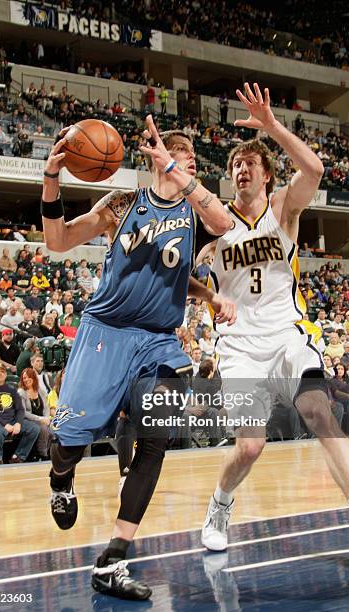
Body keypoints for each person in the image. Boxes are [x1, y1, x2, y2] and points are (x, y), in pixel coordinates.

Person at [41, 116, 234, 599]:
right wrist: (50, 181)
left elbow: (223, 224)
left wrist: (208, 298)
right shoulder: (124, 204)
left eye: (191, 163)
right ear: (160, 158)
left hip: (158, 341)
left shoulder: (195, 214)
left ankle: (112, 561)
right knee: (70, 441)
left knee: (156, 436)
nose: (193, 168)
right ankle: (60, 476)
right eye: (185, 158)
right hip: (105, 332)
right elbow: (57, 241)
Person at [192, 83, 349, 567]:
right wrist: (208, 295)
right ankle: (219, 503)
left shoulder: (283, 210)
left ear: (267, 175)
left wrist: (273, 126)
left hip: (287, 336)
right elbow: (186, 286)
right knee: (251, 446)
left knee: (319, 409)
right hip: (237, 347)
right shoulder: (214, 227)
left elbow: (314, 169)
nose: (240, 169)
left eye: (249, 164)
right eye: (235, 165)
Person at [0, 363, 40, 464]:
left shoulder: (11, 388)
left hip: (12, 420)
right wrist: (5, 425)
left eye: (3, 371)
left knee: (34, 428)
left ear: (6, 374)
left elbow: (20, 409)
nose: (0, 373)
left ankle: (18, 457)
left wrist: (18, 423)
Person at [18, 368, 51, 460]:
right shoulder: (21, 392)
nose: (26, 379)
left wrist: (47, 418)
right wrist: (40, 419)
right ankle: (42, 454)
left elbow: (46, 407)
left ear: (34, 378)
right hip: (29, 420)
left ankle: (48, 452)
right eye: (24, 378)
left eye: (29, 377)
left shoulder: (41, 391)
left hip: (42, 419)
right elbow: (24, 413)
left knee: (54, 427)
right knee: (44, 428)